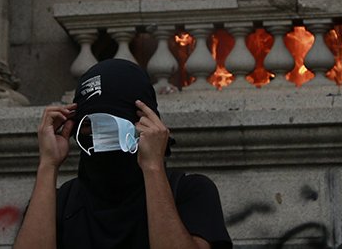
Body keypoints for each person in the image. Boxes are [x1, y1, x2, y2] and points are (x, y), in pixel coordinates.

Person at [13, 59, 232, 249]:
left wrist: (153, 166)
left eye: (112, 124)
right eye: (90, 125)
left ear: (144, 124)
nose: (100, 136)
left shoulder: (190, 192)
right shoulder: (60, 203)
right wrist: (48, 164)